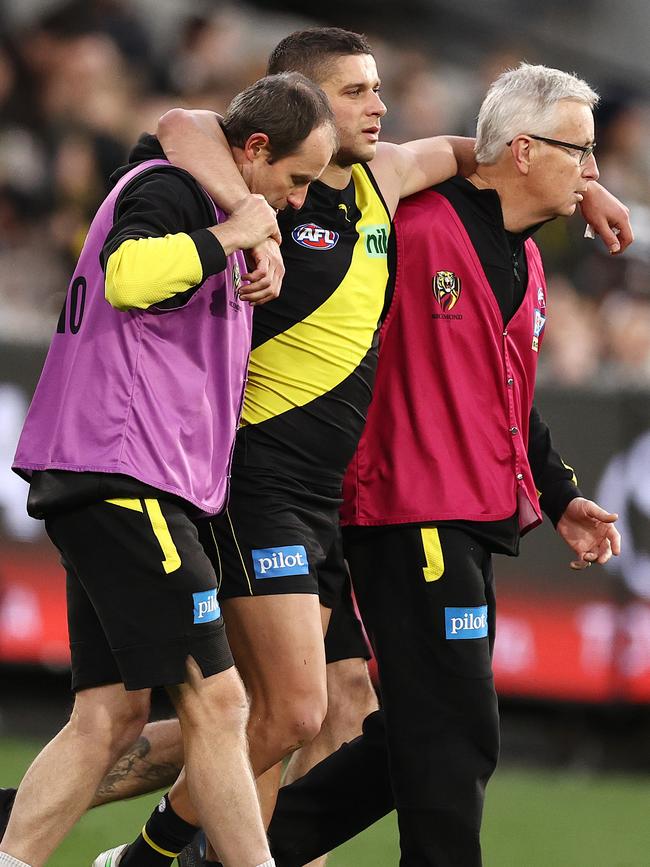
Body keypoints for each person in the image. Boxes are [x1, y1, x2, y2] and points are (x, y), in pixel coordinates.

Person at [50, 28, 631, 867]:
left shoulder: (384, 185)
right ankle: (143, 853)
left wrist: (583, 187)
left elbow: (484, 159)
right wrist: (248, 221)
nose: (380, 105)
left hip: (330, 496)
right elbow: (182, 123)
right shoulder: (273, 197)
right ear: (303, 112)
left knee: (311, 707)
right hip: (278, 481)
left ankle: (140, 841)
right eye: (359, 91)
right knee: (296, 712)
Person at [260, 63, 624, 867]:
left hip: (470, 516)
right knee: (454, 733)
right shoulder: (413, 226)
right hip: (406, 511)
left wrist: (560, 491)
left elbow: (510, 397)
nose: (596, 171)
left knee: (424, 730)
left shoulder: (527, 261)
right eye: (583, 152)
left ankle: (213, 852)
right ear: (524, 151)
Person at [1, 71, 336, 867]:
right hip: (126, 474)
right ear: (254, 149)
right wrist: (230, 235)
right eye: (293, 180)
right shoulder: (175, 191)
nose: (294, 202)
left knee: (108, 719)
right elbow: (128, 278)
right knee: (218, 701)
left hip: (116, 472)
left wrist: (241, 237)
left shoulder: (211, 200)